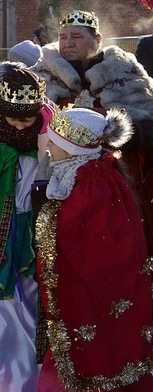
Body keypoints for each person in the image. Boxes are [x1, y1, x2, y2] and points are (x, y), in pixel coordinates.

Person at [31, 9, 153, 360]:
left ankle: (120, 349)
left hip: (111, 198)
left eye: (77, 37)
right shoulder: (42, 73)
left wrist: (109, 134)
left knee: (112, 271)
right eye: (64, 37)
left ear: (97, 40)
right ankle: (60, 350)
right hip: (55, 194)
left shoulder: (127, 73)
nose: (68, 44)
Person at [35, 107, 153, 391]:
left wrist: (48, 212)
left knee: (95, 344)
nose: (49, 146)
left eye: (55, 141)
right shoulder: (81, 172)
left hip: (91, 287)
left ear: (73, 148)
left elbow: (83, 237)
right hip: (85, 284)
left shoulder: (91, 183)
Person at [0, 62, 54, 390]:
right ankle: (11, 375)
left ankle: (34, 375)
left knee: (36, 296)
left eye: (28, 119)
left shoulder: (47, 142)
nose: (20, 126)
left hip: (35, 229)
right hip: (3, 231)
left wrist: (46, 133)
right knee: (6, 303)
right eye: (12, 118)